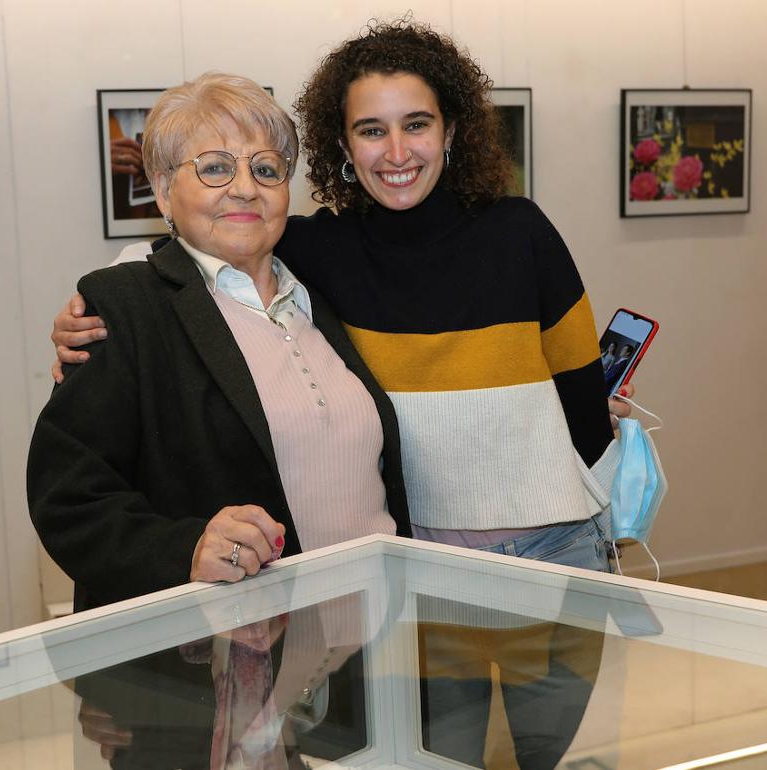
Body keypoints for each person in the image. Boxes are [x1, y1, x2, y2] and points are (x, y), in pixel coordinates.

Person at [49, 20, 636, 769]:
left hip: (557, 555)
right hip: (423, 569)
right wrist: (87, 307)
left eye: (416, 124)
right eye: (371, 130)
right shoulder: (323, 248)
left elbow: (585, 401)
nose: (396, 153)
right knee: (433, 757)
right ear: (342, 143)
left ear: (451, 130)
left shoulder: (522, 231)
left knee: (565, 758)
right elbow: (201, 243)